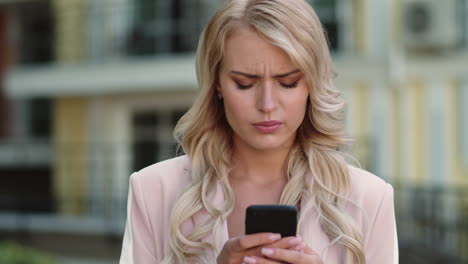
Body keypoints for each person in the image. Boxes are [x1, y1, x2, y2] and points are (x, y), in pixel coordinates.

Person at [119, 0, 398, 263]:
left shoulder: (369, 199)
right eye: (244, 83)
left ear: (311, 84)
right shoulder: (153, 190)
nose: (267, 105)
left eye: (287, 82)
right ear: (217, 84)